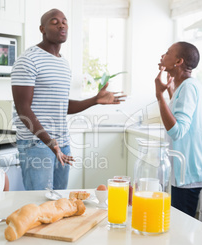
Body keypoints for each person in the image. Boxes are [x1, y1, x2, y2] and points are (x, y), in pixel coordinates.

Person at [11, 8, 125, 191]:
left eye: (64, 21)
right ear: (42, 29)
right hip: (37, 144)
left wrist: (94, 100)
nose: (62, 24)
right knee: (40, 203)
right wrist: (49, 142)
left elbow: (61, 106)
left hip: (61, 142)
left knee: (60, 203)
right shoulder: (28, 60)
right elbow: (23, 109)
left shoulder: (63, 63)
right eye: (54, 22)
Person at [155, 42, 202, 217]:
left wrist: (159, 97)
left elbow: (177, 131)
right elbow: (180, 115)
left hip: (188, 173)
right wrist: (170, 91)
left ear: (178, 61)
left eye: (167, 53)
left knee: (182, 228)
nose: (162, 55)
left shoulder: (188, 87)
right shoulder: (187, 86)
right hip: (186, 171)